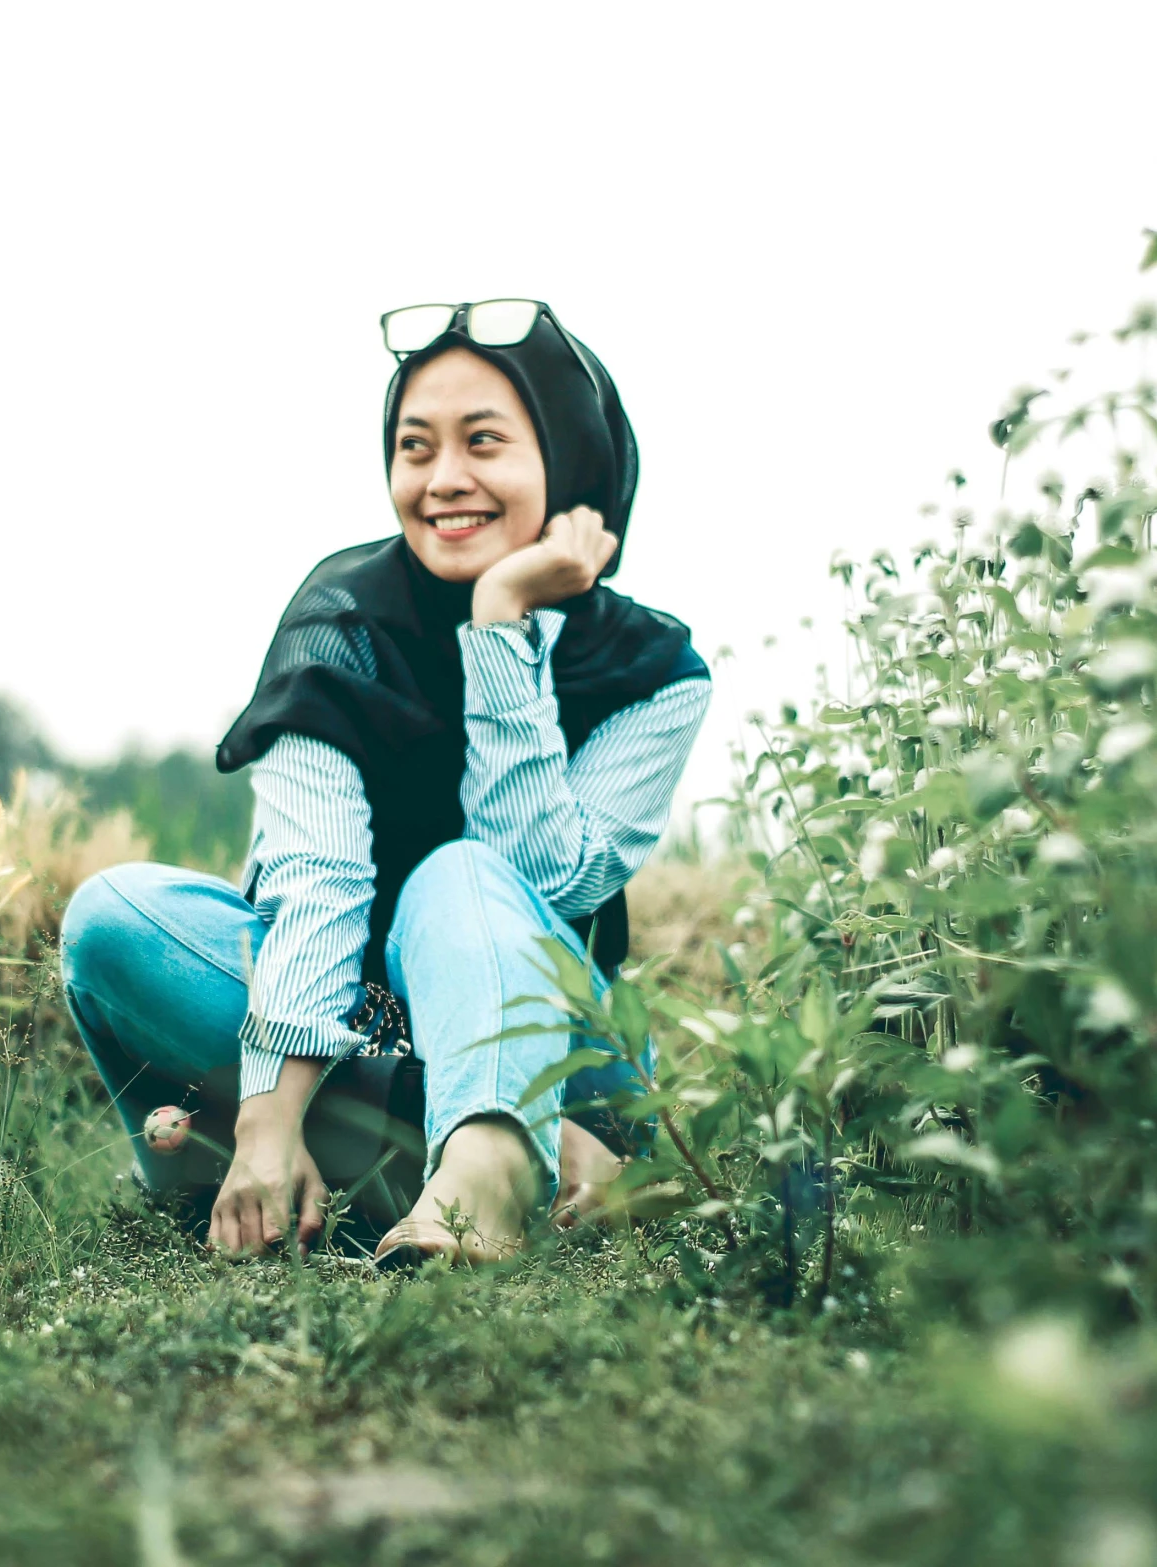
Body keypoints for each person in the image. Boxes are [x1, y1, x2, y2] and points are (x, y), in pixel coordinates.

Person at [59, 299, 710, 1265]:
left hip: (562, 1050)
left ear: (571, 463)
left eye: (483, 442)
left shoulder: (654, 671)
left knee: (459, 874)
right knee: (113, 920)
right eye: (415, 447)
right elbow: (313, 880)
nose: (443, 480)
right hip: (349, 1019)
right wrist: (270, 1119)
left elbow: (547, 884)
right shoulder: (342, 618)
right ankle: (403, 1148)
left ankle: (485, 1158)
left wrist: (499, 628)